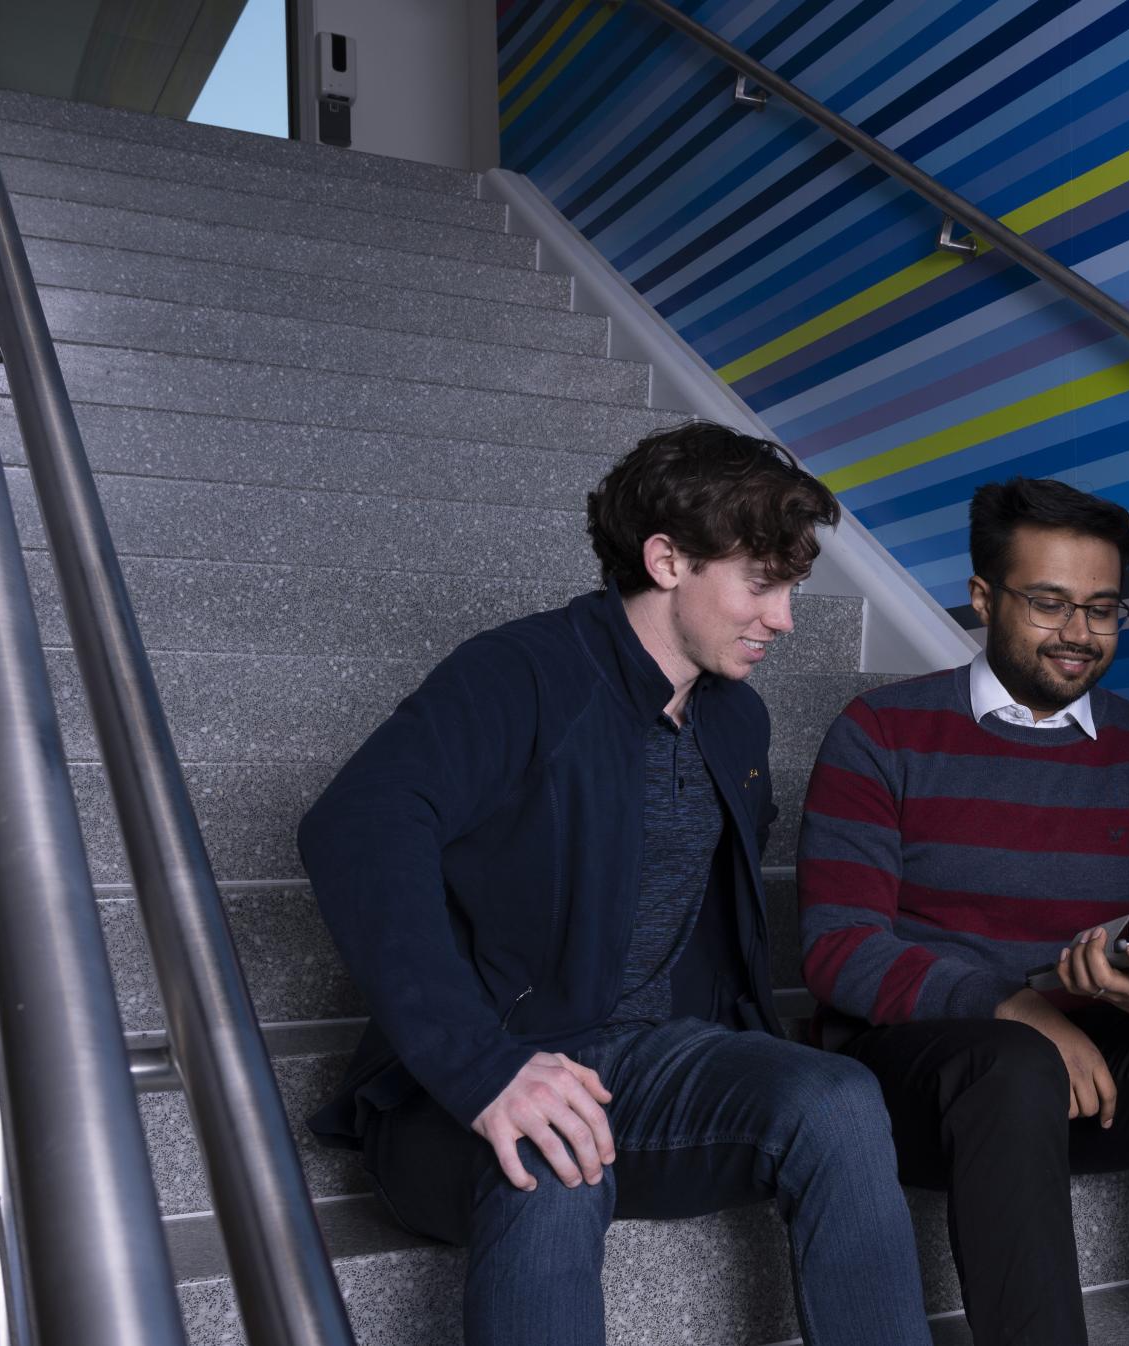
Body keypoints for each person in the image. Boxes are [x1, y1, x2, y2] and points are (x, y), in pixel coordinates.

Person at [297, 422, 931, 1346]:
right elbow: (354, 827)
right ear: (667, 559)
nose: (784, 619)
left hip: (645, 1065)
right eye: (761, 584)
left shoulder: (736, 720)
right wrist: (482, 1066)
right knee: (553, 1160)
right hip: (466, 1089)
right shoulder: (516, 673)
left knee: (834, 1099)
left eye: (791, 587)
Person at [798, 477, 1129, 1346]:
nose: (1079, 633)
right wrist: (1017, 1009)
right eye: (1049, 604)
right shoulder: (880, 731)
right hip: (931, 1082)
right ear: (981, 597)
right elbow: (837, 948)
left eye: (1103, 608)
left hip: (1099, 1081)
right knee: (1011, 1064)